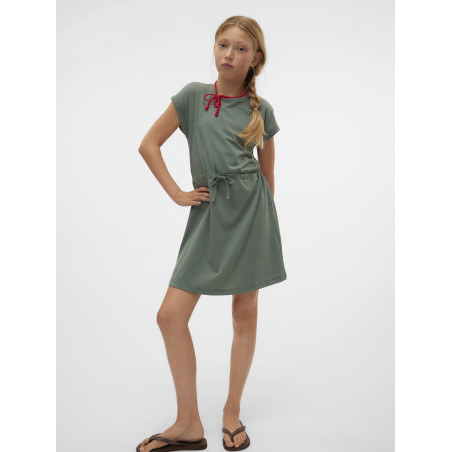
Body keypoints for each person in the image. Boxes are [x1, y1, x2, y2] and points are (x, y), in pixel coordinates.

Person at [137, 15, 287, 452]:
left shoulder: (261, 110)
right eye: (223, 45)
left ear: (255, 58)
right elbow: (148, 144)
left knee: (244, 314)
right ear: (215, 48)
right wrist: (177, 193)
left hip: (251, 217)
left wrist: (259, 223)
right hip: (208, 214)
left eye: (241, 48)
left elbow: (268, 180)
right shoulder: (192, 97)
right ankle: (188, 422)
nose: (229, 54)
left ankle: (231, 412)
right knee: (170, 316)